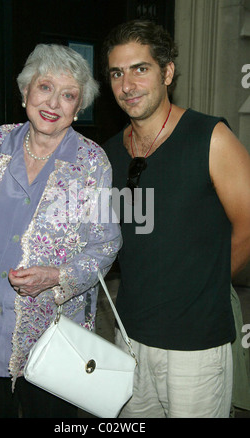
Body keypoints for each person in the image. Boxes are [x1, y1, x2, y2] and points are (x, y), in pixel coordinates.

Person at [0, 43, 121, 418]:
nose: (53, 103)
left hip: (54, 339)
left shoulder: (92, 163)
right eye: (44, 87)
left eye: (68, 95)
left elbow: (105, 245)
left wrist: (57, 276)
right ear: (26, 90)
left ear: (78, 109)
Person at [102, 19, 250, 418]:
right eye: (117, 73)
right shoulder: (110, 153)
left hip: (196, 348)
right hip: (129, 339)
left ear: (167, 72)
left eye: (140, 69)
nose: (127, 85)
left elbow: (249, 224)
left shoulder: (210, 137)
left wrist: (206, 283)